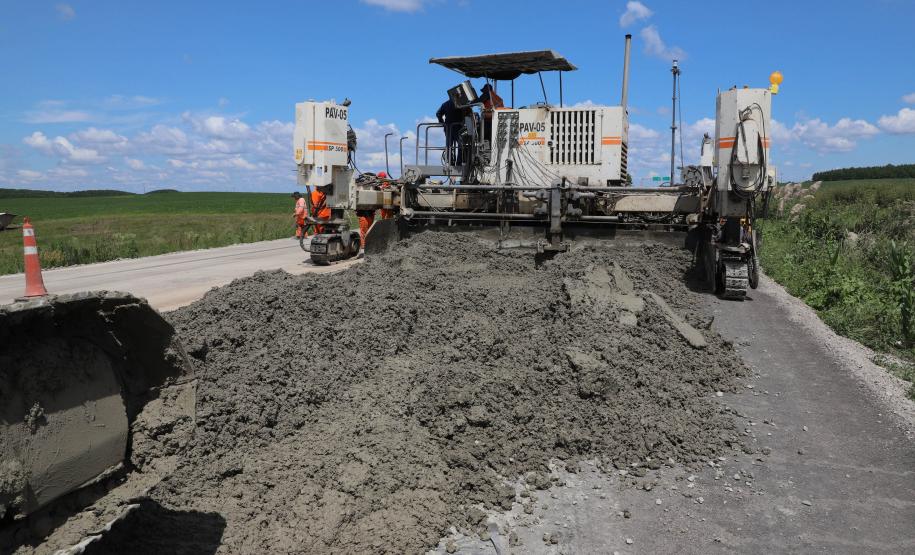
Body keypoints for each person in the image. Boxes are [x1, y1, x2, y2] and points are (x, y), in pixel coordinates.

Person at [436, 97, 467, 166]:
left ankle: (450, 162)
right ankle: (459, 162)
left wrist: (442, 123)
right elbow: (466, 114)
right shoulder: (461, 103)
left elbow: (438, 113)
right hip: (459, 128)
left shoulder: (445, 104)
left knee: (449, 145)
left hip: (448, 127)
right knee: (461, 145)